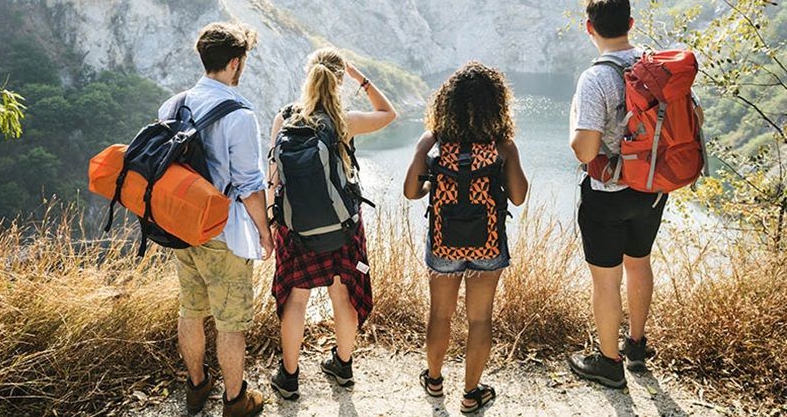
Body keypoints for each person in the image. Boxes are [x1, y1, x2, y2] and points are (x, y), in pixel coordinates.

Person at [568, 0, 704, 388]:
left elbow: (585, 149)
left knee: (606, 279)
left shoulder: (596, 77)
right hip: (653, 187)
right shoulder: (656, 67)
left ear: (589, 28)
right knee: (639, 262)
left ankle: (608, 363)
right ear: (630, 24)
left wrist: (573, 121)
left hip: (607, 194)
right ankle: (637, 346)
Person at [267, 47, 397, 400]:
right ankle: (342, 366)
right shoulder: (343, 121)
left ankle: (289, 378)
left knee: (296, 300)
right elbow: (388, 113)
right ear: (338, 81)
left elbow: (273, 180)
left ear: (307, 76)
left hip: (295, 230)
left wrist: (273, 226)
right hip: (343, 228)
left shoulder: (285, 119)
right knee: (342, 295)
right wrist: (361, 78)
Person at [158, 22, 273, 417]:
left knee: (190, 310)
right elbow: (249, 185)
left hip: (181, 229)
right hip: (224, 234)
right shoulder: (239, 114)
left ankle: (196, 386)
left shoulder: (172, 105)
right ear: (236, 63)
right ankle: (235, 400)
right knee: (230, 322)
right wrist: (265, 232)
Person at [403, 61, 528, 414]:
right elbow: (518, 196)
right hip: (488, 244)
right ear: (497, 105)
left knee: (440, 314)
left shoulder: (435, 142)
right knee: (479, 319)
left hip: (444, 241)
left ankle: (434, 379)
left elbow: (411, 192)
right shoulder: (503, 147)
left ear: (447, 103)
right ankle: (472, 393)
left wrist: (430, 171)